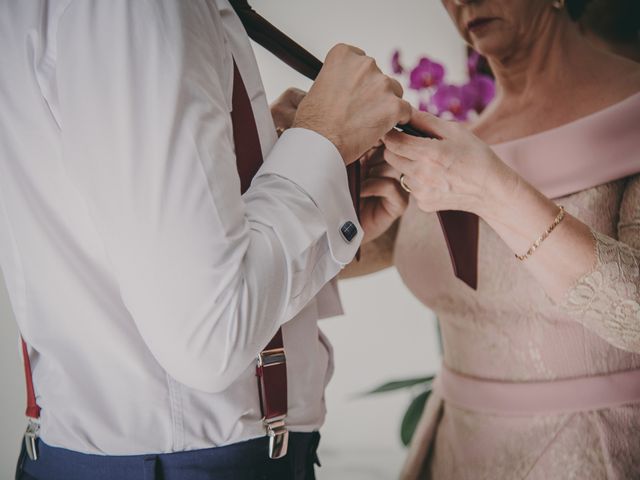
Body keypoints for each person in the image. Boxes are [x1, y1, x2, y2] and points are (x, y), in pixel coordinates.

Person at [0, 1, 412, 479]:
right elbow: (209, 338)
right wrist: (320, 142)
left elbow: (120, 235)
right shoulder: (137, 11)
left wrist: (298, 180)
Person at [346, 0, 640, 478]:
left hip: (590, 453)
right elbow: (366, 251)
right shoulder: (453, 140)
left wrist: (494, 191)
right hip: (454, 447)